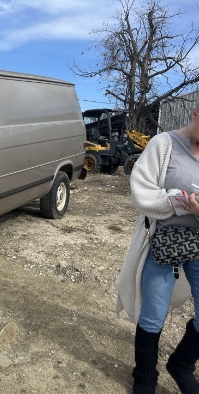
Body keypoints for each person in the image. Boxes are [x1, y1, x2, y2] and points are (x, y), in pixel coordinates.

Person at [116, 103, 199, 394]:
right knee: (153, 312)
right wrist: (177, 200)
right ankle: (144, 377)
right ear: (195, 113)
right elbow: (140, 193)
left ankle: (182, 364)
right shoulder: (164, 144)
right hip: (163, 244)